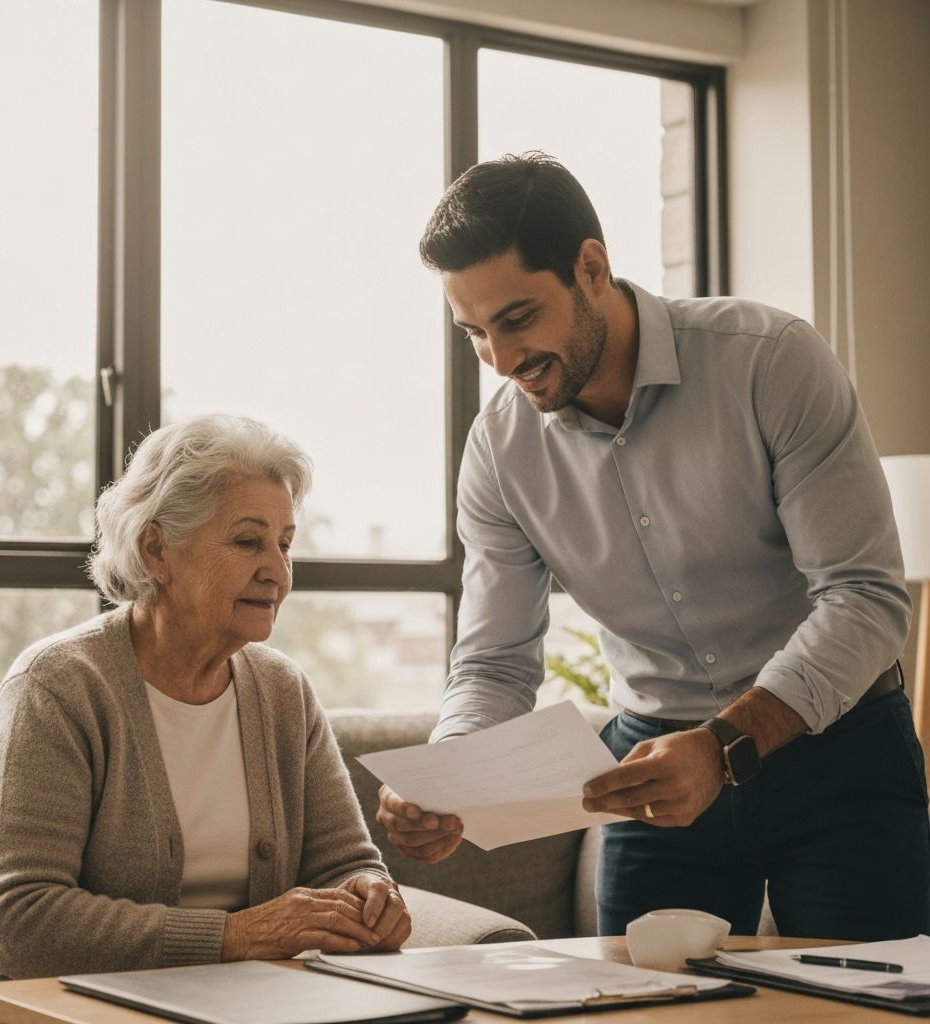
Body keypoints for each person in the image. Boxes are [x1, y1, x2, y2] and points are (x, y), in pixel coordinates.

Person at [377, 152, 930, 941]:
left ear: (591, 268)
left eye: (518, 318)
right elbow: (495, 661)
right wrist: (450, 771)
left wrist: (723, 745)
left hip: (835, 748)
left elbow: (863, 597)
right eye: (474, 334)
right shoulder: (500, 451)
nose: (500, 359)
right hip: (649, 769)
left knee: (865, 998)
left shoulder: (770, 360)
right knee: (636, 997)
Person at [0, 414, 410, 1024]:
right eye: (247, 542)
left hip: (209, 998)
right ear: (156, 550)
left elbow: (342, 863)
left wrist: (367, 893)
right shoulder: (56, 686)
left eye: (284, 543)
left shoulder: (284, 692)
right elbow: (18, 919)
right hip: (8, 997)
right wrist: (235, 936)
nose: (277, 572)